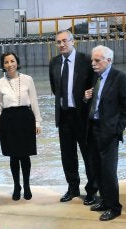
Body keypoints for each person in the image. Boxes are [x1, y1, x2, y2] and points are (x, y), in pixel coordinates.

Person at [48, 30, 98, 205]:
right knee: (67, 155)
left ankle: (92, 190)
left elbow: (95, 87)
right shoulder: (54, 63)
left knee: (88, 154)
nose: (61, 45)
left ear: (73, 41)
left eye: (64, 41)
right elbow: (55, 89)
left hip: (83, 116)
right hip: (64, 116)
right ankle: (73, 188)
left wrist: (85, 99)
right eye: (58, 42)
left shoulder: (86, 60)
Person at [84, 45, 126, 221]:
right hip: (93, 129)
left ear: (108, 60)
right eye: (92, 61)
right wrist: (85, 98)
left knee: (109, 171)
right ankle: (104, 200)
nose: (93, 64)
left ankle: (114, 207)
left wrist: (115, 131)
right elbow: (94, 103)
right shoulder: (96, 78)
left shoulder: (120, 78)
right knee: (97, 168)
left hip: (109, 133)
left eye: (97, 60)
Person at [0, 52, 42, 201]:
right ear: (3, 65)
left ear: (17, 62)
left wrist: (37, 122)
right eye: (6, 62)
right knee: (13, 156)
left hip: (25, 118)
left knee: (25, 155)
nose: (10, 64)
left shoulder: (28, 79)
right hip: (7, 120)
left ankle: (27, 185)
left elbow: (34, 101)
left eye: (12, 61)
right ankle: (16, 186)